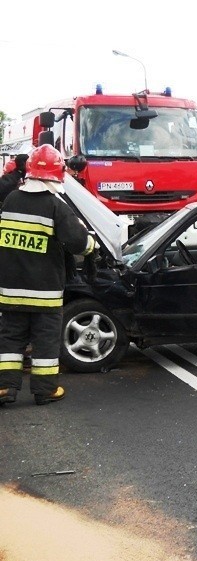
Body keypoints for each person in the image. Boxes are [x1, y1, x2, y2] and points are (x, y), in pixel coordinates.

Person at [0, 145, 96, 407]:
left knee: (10, 339)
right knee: (45, 341)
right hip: (44, 292)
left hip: (11, 290)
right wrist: (92, 247)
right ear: (57, 174)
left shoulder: (11, 200)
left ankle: (4, 388)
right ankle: (45, 391)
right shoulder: (55, 205)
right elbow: (78, 242)